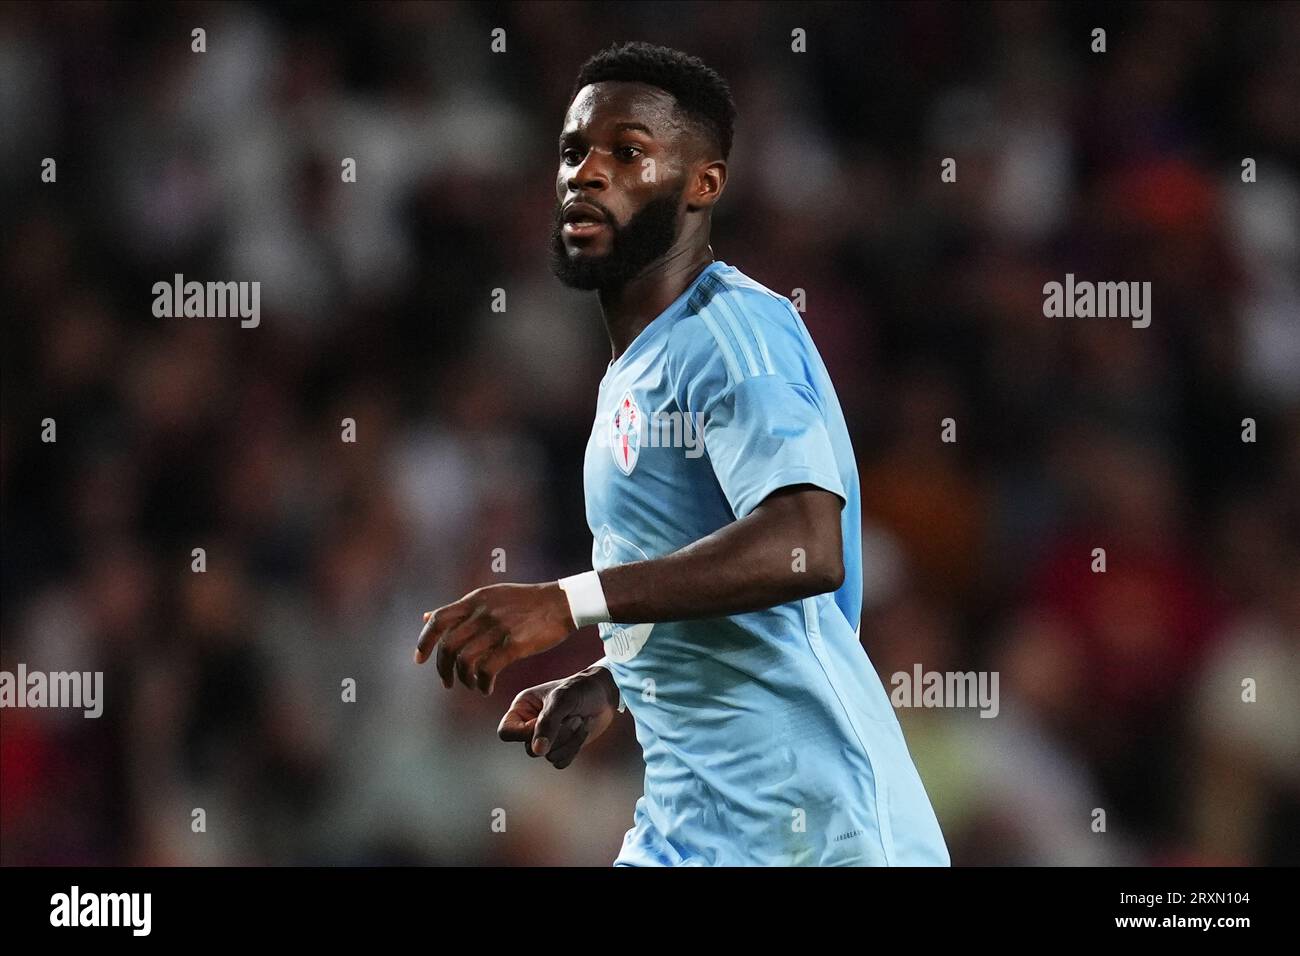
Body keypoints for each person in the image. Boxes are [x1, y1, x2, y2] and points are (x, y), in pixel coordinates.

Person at [415, 41, 949, 866]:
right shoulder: (638, 368)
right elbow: (704, 570)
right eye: (572, 150)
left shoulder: (731, 336)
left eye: (628, 153)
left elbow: (804, 544)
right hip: (689, 827)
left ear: (703, 183)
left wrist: (567, 603)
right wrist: (614, 680)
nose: (586, 173)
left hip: (818, 832)